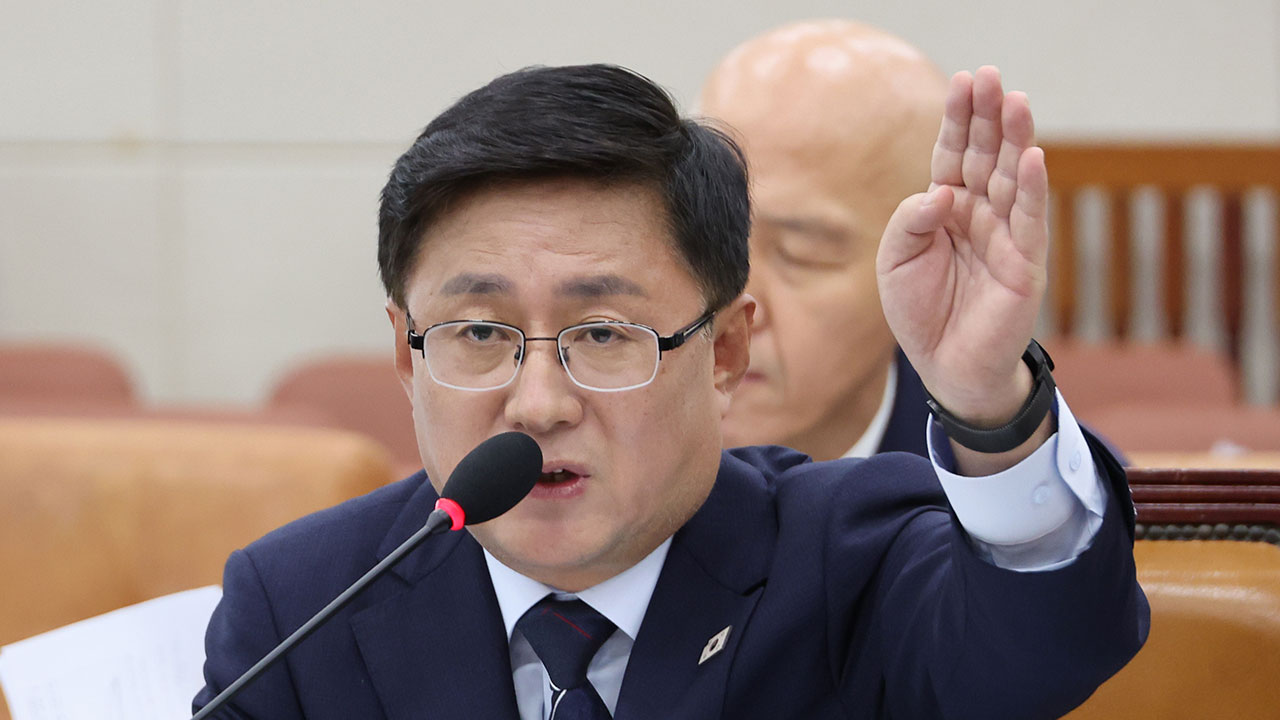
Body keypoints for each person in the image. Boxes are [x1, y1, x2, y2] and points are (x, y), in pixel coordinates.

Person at [195, 63, 1147, 719]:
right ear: (408, 358)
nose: (539, 404)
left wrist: (989, 402)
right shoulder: (302, 606)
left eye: (604, 334)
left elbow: (1049, 646)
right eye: (479, 334)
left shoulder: (849, 562)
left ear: (725, 351)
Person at [701, 20, 960, 460]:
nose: (730, 303)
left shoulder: (1004, 474)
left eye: (801, 254)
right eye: (708, 236)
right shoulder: (590, 449)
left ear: (936, 264)